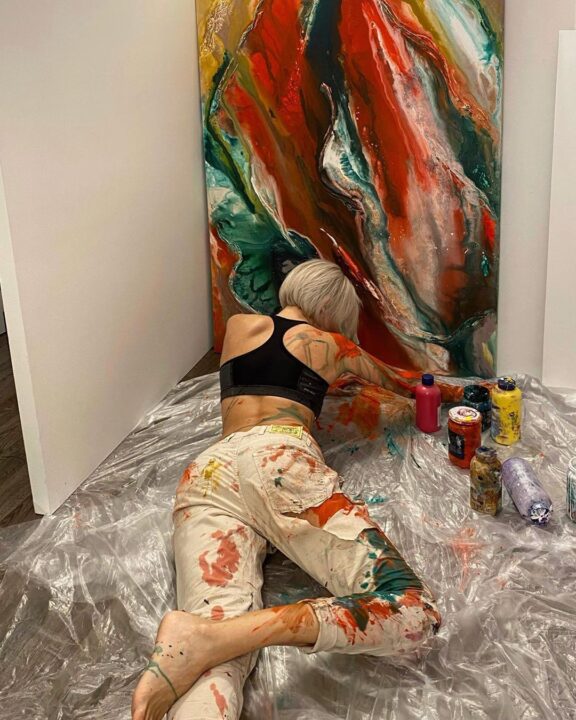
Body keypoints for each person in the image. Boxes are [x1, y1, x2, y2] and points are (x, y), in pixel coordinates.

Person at [132, 259, 441, 720]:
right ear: (333, 310)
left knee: (214, 665)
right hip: (279, 463)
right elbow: (409, 385)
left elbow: (273, 372)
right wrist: (469, 395)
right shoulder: (330, 344)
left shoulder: (239, 326)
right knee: (413, 610)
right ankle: (228, 634)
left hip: (209, 472)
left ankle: (204, 639)